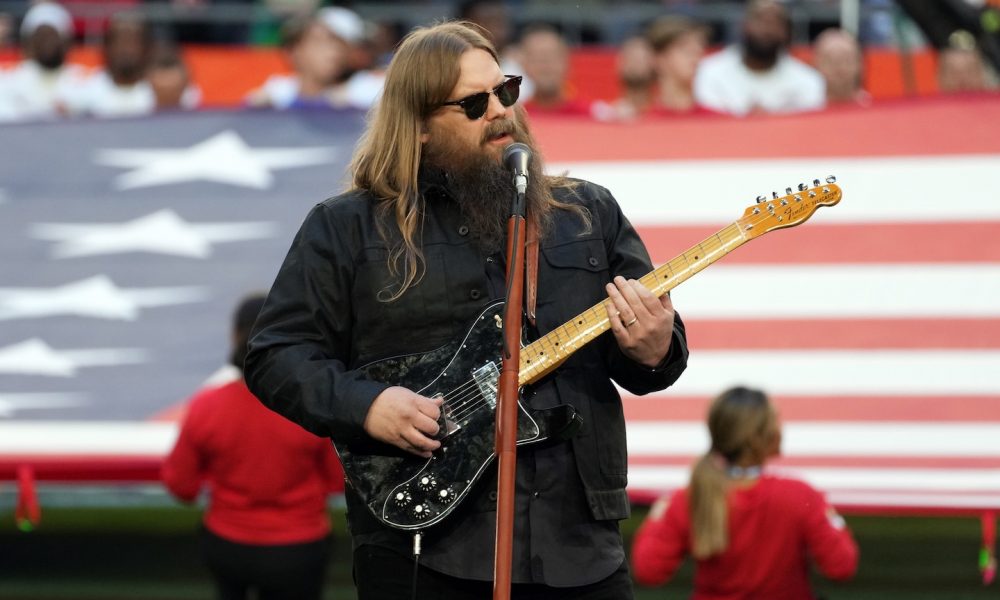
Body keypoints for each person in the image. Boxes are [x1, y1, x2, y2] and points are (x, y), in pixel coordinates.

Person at [244, 20, 688, 600]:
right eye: (474, 103)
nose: (500, 111)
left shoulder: (588, 211)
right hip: (422, 547)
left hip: (576, 543)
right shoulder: (347, 226)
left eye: (505, 90)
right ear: (420, 127)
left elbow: (652, 359)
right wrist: (367, 405)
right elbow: (275, 354)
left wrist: (655, 348)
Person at [163, 293, 345, 600]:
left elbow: (181, 485)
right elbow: (336, 481)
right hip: (299, 549)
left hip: (228, 546)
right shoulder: (311, 404)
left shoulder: (206, 406)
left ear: (234, 336)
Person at [631, 386, 858, 599]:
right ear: (768, 436)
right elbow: (841, 565)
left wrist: (656, 518)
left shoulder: (689, 498)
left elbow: (649, 569)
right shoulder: (799, 495)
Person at [693, 0, 825, 115]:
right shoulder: (708, 72)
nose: (767, 29)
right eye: (760, 20)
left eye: (775, 22)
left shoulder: (808, 79)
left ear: (787, 32)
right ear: (743, 26)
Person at [245, 7, 382, 110]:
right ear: (294, 50)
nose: (334, 52)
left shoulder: (367, 89)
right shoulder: (276, 91)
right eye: (320, 42)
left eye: (340, 45)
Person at [0, 1, 90, 122]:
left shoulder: (83, 81)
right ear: (29, 43)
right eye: (41, 36)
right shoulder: (9, 81)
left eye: (53, 36)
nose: (48, 43)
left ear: (66, 42)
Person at [71, 13, 155, 118]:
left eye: (132, 41)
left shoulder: (161, 91)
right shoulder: (84, 91)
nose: (125, 48)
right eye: (119, 40)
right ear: (106, 46)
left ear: (146, 48)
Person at [518, 23, 590, 115]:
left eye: (552, 57)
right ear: (524, 65)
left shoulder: (592, 114)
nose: (546, 66)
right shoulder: (518, 117)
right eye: (538, 59)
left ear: (567, 63)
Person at [646, 16, 711, 115]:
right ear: (659, 59)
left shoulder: (720, 121)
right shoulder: (642, 123)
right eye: (685, 49)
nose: (694, 57)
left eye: (697, 50)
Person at [814, 27, 871, 106]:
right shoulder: (805, 107)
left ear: (860, 64)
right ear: (816, 64)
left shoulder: (873, 107)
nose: (840, 67)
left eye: (847, 60)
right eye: (831, 61)